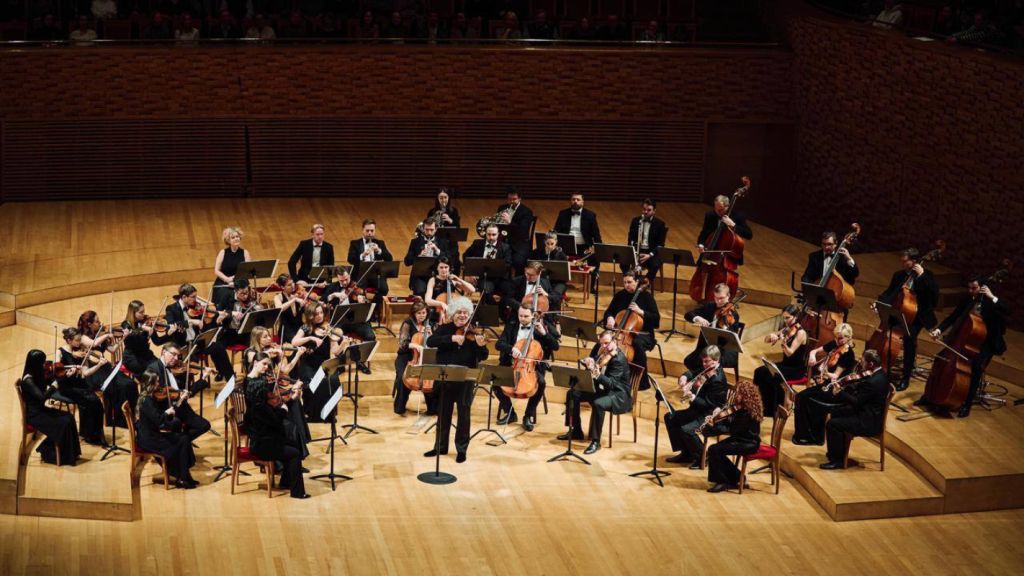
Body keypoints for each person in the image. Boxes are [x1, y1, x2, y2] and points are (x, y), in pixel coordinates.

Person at [926, 276, 1010, 417]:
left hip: (985, 342)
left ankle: (966, 404)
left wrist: (992, 296)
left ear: (983, 288)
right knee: (940, 358)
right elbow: (953, 317)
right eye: (969, 288)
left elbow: (1007, 310)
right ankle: (929, 395)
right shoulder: (968, 299)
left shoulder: (991, 302)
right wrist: (939, 330)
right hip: (965, 339)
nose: (971, 291)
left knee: (975, 369)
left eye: (974, 288)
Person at [425, 296, 489, 463]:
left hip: (466, 380)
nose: (462, 315)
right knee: (443, 414)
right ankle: (440, 447)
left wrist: (481, 346)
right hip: (446, 378)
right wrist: (451, 338)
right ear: (453, 313)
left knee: (464, 416)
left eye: (466, 313)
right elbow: (430, 341)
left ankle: (461, 449)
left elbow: (483, 356)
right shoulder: (444, 329)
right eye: (459, 312)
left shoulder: (473, 333)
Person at [244, 356, 311, 498]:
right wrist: (283, 410)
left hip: (266, 437)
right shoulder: (259, 406)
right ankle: (297, 492)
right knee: (294, 452)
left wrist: (290, 399)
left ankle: (286, 482)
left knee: (295, 443)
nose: (267, 367)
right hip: (262, 444)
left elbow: (273, 411)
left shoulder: (257, 399)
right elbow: (274, 420)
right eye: (264, 364)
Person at [873, 248, 939, 391]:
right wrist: (878, 303)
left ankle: (905, 377)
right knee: (886, 330)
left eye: (905, 261)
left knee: (909, 340)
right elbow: (890, 292)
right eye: (902, 261)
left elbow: (934, 298)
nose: (902, 264)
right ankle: (880, 365)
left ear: (914, 261)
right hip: (899, 311)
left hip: (918, 316)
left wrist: (922, 276)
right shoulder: (899, 275)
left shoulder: (927, 275)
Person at [560, 331, 630, 455]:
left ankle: (596, 441)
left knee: (598, 403)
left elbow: (612, 384)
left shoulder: (618, 359)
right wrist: (589, 364)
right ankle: (576, 430)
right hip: (602, 389)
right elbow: (594, 371)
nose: (603, 346)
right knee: (572, 393)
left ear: (614, 341)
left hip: (617, 394)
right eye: (601, 343)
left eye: (606, 343)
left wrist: (596, 373)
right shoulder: (601, 352)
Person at [493, 305, 560, 431]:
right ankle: (510, 412)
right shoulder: (512, 325)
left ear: (533, 316)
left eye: (526, 316)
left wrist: (544, 334)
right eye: (520, 316)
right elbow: (499, 344)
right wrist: (511, 349)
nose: (523, 319)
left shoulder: (541, 327)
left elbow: (555, 346)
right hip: (511, 363)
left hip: (532, 366)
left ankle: (528, 415)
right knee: (494, 379)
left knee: (541, 383)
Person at [819, 350, 889, 470]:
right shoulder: (881, 374)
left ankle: (838, 461)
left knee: (833, 424)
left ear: (871, 364)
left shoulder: (873, 382)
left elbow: (857, 402)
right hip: (869, 413)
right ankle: (835, 454)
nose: (861, 363)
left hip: (868, 421)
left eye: (863, 361)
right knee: (835, 412)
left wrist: (840, 392)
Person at [663, 345, 729, 468]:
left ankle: (703, 457)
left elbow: (709, 404)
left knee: (686, 430)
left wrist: (692, 397)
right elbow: (693, 372)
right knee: (670, 418)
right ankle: (687, 453)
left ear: (716, 360)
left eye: (706, 361)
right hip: (697, 409)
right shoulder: (707, 368)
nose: (704, 364)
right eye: (703, 361)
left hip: (709, 414)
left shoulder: (718, 380)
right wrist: (684, 377)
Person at [792, 324, 859, 445]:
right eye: (836, 337)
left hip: (836, 389)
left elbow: (836, 376)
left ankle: (813, 437)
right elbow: (815, 351)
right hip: (827, 384)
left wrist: (824, 371)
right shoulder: (834, 344)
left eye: (841, 338)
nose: (837, 340)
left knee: (803, 397)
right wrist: (812, 356)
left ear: (849, 337)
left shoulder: (848, 353)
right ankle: (806, 434)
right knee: (801, 397)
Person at [134, 370, 199, 489]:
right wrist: (167, 413)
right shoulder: (147, 400)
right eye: (157, 382)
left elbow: (157, 416)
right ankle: (183, 477)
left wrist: (170, 410)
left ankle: (184, 477)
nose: (159, 384)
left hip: (151, 434)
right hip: (148, 439)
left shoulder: (147, 397)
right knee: (183, 440)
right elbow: (159, 421)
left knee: (183, 438)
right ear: (151, 383)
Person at [20, 350, 82, 466]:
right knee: (64, 423)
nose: (45, 365)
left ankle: (71, 454)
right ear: (35, 363)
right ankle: (49, 451)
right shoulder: (28, 380)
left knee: (69, 417)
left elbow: (55, 381)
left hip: (42, 410)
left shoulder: (38, 373)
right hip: (35, 415)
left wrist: (66, 376)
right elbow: (42, 398)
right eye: (42, 363)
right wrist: (53, 387)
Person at [77, 310, 138, 426]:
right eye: (97, 321)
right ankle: (119, 420)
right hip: (94, 372)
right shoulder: (82, 337)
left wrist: (124, 337)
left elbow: (113, 349)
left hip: (105, 367)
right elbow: (93, 344)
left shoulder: (99, 334)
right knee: (121, 386)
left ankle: (133, 416)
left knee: (131, 383)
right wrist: (106, 335)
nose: (100, 323)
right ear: (89, 324)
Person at [163, 283, 234, 383]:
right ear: (184, 297)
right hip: (183, 347)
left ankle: (231, 379)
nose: (195, 299)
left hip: (197, 343)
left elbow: (205, 326)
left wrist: (217, 320)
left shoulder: (196, 308)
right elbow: (171, 325)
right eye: (193, 297)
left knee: (218, 347)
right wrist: (190, 321)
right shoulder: (171, 309)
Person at [291, 302, 349, 423]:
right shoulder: (306, 328)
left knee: (334, 382)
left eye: (321, 313)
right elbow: (294, 342)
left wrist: (343, 344)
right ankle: (312, 414)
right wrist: (310, 338)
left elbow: (335, 350)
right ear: (310, 315)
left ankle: (328, 413)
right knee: (314, 382)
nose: (320, 316)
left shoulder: (329, 328)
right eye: (316, 314)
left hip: (324, 365)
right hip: (308, 365)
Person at [704, 380, 764, 493]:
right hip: (740, 439)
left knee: (714, 450)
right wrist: (716, 418)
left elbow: (731, 429)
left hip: (748, 443)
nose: (736, 395)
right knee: (714, 449)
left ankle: (722, 481)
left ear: (746, 395)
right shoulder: (742, 408)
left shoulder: (747, 412)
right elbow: (731, 424)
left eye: (739, 393)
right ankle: (737, 477)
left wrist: (715, 424)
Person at [145, 344, 212, 442]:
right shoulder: (153, 369)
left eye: (178, 355)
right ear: (163, 352)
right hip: (167, 410)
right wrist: (179, 397)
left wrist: (203, 378)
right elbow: (155, 397)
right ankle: (179, 443)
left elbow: (187, 392)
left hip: (180, 406)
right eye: (173, 354)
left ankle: (180, 442)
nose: (176, 358)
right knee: (201, 426)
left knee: (204, 425)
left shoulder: (174, 368)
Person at [694, 191, 753, 300]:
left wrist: (733, 225)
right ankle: (703, 296)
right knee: (700, 266)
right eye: (716, 209)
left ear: (728, 206)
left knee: (721, 277)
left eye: (721, 210)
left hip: (726, 257)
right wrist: (701, 244)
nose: (718, 212)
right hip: (711, 251)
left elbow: (749, 234)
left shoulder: (737, 216)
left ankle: (721, 298)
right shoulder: (711, 215)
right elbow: (704, 233)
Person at [752, 305, 808, 417]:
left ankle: (774, 408)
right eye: (784, 318)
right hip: (785, 365)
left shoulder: (801, 333)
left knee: (771, 376)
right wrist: (771, 335)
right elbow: (766, 340)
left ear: (796, 316)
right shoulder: (787, 329)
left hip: (795, 369)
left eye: (788, 318)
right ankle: (761, 402)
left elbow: (789, 353)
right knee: (759, 371)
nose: (785, 320)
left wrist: (783, 341)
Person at [603, 270, 659, 381]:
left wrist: (641, 311)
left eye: (629, 282)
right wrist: (609, 317)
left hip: (643, 334)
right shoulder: (620, 295)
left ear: (637, 281)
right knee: (604, 340)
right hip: (621, 332)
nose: (626, 285)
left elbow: (656, 319)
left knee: (636, 343)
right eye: (624, 282)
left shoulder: (646, 297)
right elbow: (609, 311)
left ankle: (640, 380)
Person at [321, 267, 377, 374]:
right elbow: (322, 300)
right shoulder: (333, 287)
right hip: (340, 321)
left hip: (357, 321)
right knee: (336, 335)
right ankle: (341, 364)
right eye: (341, 280)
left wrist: (363, 300)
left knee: (370, 336)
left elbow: (366, 304)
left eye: (346, 279)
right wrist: (333, 295)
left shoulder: (357, 286)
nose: (345, 282)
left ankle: (360, 362)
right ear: (337, 278)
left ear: (349, 275)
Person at [57, 327, 106, 445]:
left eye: (80, 339)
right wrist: (68, 373)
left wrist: (99, 365)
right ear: (69, 340)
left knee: (97, 403)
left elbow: (86, 372)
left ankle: (93, 434)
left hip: (79, 384)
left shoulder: (80, 352)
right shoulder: (60, 352)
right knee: (90, 401)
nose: (80, 343)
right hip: (67, 386)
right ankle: (88, 434)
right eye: (77, 340)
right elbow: (57, 372)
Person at [683, 283, 741, 373]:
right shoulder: (709, 306)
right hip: (706, 346)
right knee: (689, 361)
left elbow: (731, 338)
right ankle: (701, 379)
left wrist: (725, 327)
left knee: (705, 362)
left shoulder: (733, 314)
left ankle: (709, 379)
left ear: (728, 296)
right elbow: (688, 314)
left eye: (721, 298)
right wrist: (698, 318)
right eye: (716, 298)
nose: (718, 301)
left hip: (724, 350)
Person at [393, 302, 438, 415]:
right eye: (419, 313)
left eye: (424, 313)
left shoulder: (430, 324)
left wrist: (431, 335)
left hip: (425, 356)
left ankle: (432, 408)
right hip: (407, 356)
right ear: (414, 314)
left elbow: (435, 344)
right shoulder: (407, 323)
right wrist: (415, 345)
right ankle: (399, 406)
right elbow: (402, 344)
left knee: (430, 379)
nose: (422, 315)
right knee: (402, 378)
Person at [553, 192, 601, 290]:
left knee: (595, 258)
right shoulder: (563, 214)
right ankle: (558, 285)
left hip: (584, 247)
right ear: (570, 201)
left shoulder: (590, 215)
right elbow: (556, 231)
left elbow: (596, 234)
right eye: (573, 199)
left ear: (583, 202)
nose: (575, 201)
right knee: (555, 255)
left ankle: (590, 287)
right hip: (566, 247)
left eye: (578, 200)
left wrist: (596, 247)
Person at [346, 218, 394, 314]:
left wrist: (379, 251)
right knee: (357, 290)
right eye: (367, 230)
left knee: (384, 289)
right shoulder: (355, 243)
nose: (369, 233)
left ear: (374, 231)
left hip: (376, 275)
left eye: (372, 231)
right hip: (360, 274)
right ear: (363, 230)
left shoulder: (380, 243)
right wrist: (362, 255)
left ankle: (372, 310)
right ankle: (360, 312)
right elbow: (350, 259)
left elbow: (389, 258)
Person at [121, 299, 174, 378]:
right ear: (133, 313)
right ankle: (147, 385)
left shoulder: (147, 322)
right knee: (151, 373)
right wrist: (143, 330)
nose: (144, 314)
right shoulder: (126, 325)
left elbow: (157, 341)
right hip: (132, 358)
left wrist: (168, 334)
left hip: (146, 355)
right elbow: (134, 341)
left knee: (162, 367)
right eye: (141, 312)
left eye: (144, 311)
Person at [462, 223, 512, 301]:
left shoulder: (505, 247)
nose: (491, 237)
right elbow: (465, 256)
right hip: (483, 278)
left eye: (494, 235)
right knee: (485, 291)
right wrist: (471, 273)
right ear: (485, 233)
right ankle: (487, 307)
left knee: (509, 290)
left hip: (500, 278)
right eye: (489, 234)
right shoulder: (477, 243)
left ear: (498, 234)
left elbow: (508, 264)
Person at [404, 219, 452, 296]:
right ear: (423, 229)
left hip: (438, 275)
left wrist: (437, 250)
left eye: (431, 230)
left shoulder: (443, 242)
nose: (429, 232)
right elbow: (407, 262)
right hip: (420, 276)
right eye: (427, 230)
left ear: (436, 229)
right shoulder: (415, 242)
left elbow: (449, 259)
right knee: (420, 291)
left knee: (440, 293)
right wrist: (419, 256)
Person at [625, 198, 667, 284]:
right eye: (644, 209)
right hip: (637, 252)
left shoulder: (660, 224)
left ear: (654, 211)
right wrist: (634, 252)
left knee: (655, 264)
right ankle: (630, 282)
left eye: (649, 210)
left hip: (651, 253)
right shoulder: (635, 221)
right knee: (623, 262)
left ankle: (645, 283)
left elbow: (661, 245)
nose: (646, 212)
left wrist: (650, 255)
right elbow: (630, 239)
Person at [423, 257, 476, 324]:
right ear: (437, 268)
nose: (444, 270)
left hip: (452, 312)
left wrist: (458, 279)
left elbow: (472, 290)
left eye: (446, 267)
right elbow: (427, 300)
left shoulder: (452, 281)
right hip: (437, 312)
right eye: (441, 267)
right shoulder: (433, 280)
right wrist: (441, 303)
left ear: (449, 268)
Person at [495, 186, 535, 275]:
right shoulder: (502, 208)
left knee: (518, 261)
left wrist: (510, 222)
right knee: (493, 257)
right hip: (504, 240)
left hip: (520, 243)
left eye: (514, 199)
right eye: (509, 199)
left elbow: (523, 231)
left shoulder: (527, 212)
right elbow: (498, 226)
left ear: (520, 198)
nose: (512, 201)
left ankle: (518, 280)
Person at [528, 232, 568, 306]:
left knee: (556, 295)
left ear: (556, 242)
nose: (550, 246)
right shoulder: (537, 252)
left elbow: (565, 275)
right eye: (547, 243)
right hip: (542, 280)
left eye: (552, 244)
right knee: (535, 291)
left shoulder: (561, 255)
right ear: (544, 242)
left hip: (558, 281)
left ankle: (550, 302)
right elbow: (530, 266)